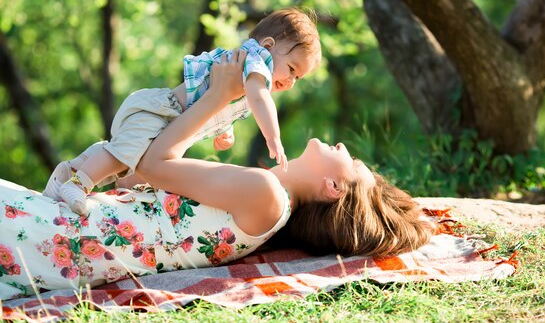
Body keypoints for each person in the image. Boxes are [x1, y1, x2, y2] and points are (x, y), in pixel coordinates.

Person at [0, 52, 433, 300]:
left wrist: (217, 97)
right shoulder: (263, 197)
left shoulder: (266, 195)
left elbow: (150, 164)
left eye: (352, 163)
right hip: (64, 236)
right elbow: (137, 178)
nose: (345, 148)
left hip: (63, 236)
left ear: (334, 189)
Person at [44, 8, 322, 216]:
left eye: (298, 79)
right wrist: (273, 137)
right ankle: (79, 185)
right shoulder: (257, 61)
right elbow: (258, 96)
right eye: (292, 69)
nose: (290, 81)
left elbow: (223, 97)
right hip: (159, 111)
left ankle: (70, 172)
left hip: (164, 118)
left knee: (129, 164)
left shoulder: (248, 70)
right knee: (125, 156)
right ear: (269, 46)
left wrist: (225, 130)